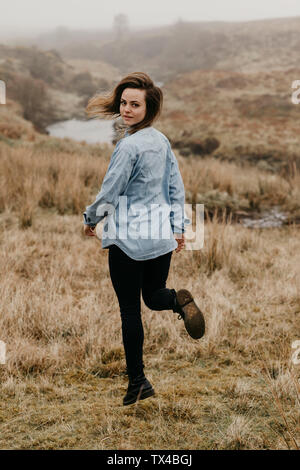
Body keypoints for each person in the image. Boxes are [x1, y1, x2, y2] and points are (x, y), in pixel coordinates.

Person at [83, 72, 205, 406]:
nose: (126, 109)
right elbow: (175, 188)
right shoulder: (161, 141)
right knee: (152, 295)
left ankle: (138, 383)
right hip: (159, 239)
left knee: (129, 312)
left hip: (127, 242)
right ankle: (177, 301)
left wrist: (91, 219)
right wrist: (178, 228)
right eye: (123, 102)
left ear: (148, 109)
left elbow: (111, 190)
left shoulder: (128, 147)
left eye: (134, 104)